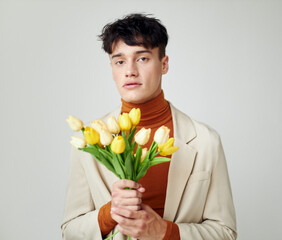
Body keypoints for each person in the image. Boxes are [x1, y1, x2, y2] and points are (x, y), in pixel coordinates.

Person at [61, 13, 237, 240]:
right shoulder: (89, 141)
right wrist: (109, 213)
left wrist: (166, 232)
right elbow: (70, 231)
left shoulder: (206, 141)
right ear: (112, 68)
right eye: (120, 61)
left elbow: (225, 233)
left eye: (142, 58)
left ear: (164, 64)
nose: (130, 71)